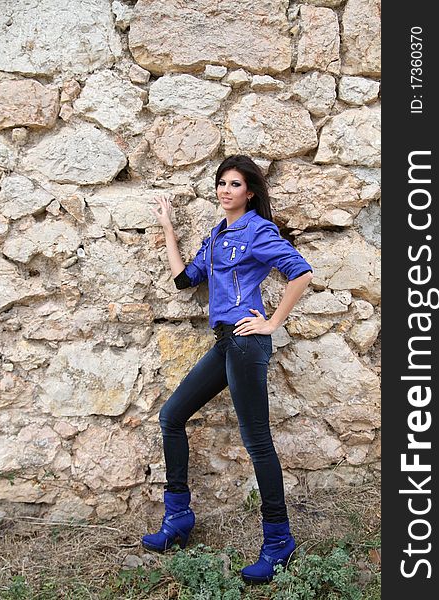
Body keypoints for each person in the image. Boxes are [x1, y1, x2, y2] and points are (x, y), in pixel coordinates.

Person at [142, 155, 313, 584]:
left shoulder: (257, 230)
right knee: (172, 416)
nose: (225, 189)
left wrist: (272, 323)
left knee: (257, 442)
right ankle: (178, 516)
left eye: (234, 184)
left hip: (248, 341)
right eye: (221, 182)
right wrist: (168, 229)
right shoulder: (217, 235)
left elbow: (300, 272)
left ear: (249, 191)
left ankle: (278, 542)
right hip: (224, 343)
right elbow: (185, 281)